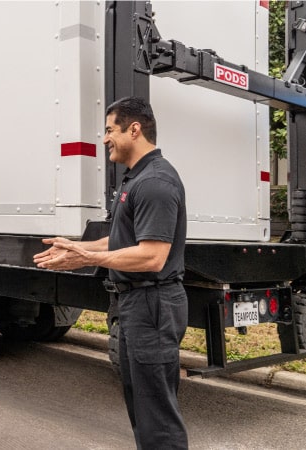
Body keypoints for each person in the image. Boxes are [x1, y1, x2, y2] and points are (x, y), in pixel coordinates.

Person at [34, 97, 188, 449]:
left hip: (153, 304)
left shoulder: (155, 182)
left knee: (157, 415)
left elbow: (152, 257)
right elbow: (121, 240)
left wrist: (85, 258)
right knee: (141, 405)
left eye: (109, 129)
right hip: (137, 303)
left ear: (134, 129)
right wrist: (79, 249)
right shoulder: (137, 179)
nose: (104, 139)